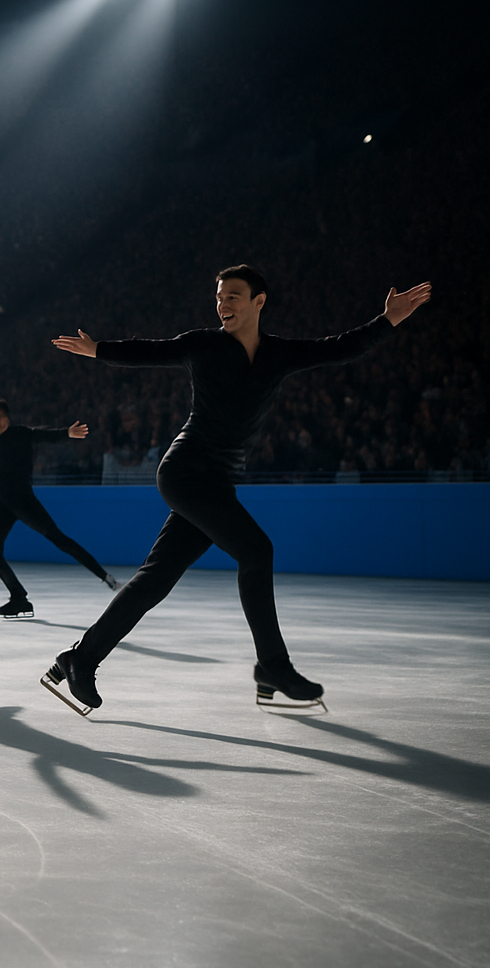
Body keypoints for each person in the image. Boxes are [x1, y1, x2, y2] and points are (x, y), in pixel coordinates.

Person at [42, 266, 430, 715]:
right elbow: (153, 350)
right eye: (220, 297)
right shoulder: (204, 345)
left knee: (156, 578)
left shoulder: (278, 355)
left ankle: (81, 658)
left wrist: (389, 320)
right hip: (185, 472)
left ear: (259, 302)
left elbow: (339, 348)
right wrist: (97, 350)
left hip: (216, 483)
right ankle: (273, 666)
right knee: (256, 551)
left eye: (234, 297)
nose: (223, 305)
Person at [0, 397, 117, 619]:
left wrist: (66, 433)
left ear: (8, 418)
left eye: (0, 416)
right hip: (5, 506)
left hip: (25, 503)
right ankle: (18, 597)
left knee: (58, 539)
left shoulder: (20, 434)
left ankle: (104, 576)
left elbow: (42, 434)